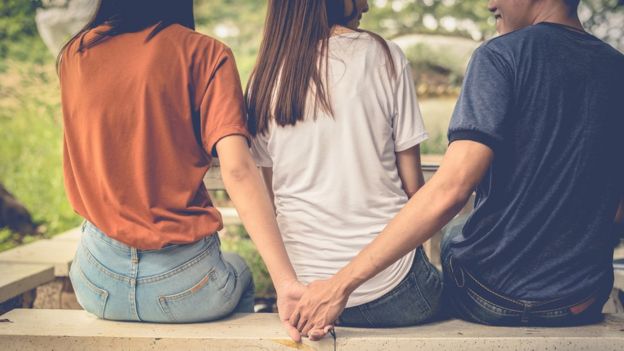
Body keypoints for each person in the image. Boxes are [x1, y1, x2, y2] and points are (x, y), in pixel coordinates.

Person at [289, 0, 624, 337]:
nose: (490, 3)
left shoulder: (500, 56)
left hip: (492, 299)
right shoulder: (617, 68)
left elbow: (452, 189)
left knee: (453, 236)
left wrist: (340, 285)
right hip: (582, 299)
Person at [59, 0, 302, 335]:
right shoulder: (206, 54)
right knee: (241, 271)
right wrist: (286, 283)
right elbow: (238, 170)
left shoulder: (76, 53)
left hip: (96, 281)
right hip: (186, 287)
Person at [246, 0, 442, 335]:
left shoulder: (263, 79)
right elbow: (415, 193)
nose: (366, 4)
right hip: (396, 296)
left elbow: (273, 202)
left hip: (302, 297)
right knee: (454, 250)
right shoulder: (385, 56)